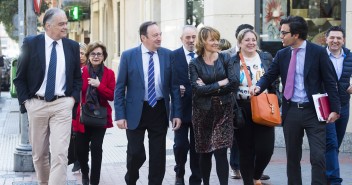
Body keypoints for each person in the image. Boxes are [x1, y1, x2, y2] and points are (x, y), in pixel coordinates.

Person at [250, 16, 340, 185]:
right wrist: (258, 86)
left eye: (284, 33)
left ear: (296, 34)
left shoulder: (318, 52)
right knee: (292, 157)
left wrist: (335, 109)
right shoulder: (282, 54)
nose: (280, 36)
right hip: (291, 112)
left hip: (314, 111)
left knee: (318, 156)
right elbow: (270, 75)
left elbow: (330, 81)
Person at [13, 8, 82, 185]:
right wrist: (27, 103)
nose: (65, 27)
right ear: (47, 26)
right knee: (39, 154)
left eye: (66, 23)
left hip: (62, 105)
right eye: (61, 24)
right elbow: (19, 78)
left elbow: (77, 78)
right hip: (37, 104)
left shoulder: (72, 46)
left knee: (60, 153)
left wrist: (72, 99)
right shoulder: (31, 43)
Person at [114, 21, 182, 185]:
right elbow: (120, 87)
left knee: (158, 155)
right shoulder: (129, 55)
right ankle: (131, 178)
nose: (159, 38)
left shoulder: (168, 55)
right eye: (155, 35)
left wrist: (176, 113)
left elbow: (174, 87)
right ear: (143, 38)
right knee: (136, 152)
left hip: (159, 109)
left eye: (160, 34)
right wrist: (120, 115)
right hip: (135, 110)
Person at [189, 26, 239, 185]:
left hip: (224, 109)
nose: (216, 42)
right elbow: (197, 90)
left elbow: (233, 83)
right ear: (203, 41)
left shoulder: (226, 59)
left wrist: (208, 87)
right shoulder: (194, 63)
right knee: (204, 152)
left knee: (220, 151)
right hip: (202, 112)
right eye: (212, 39)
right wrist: (219, 83)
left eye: (217, 39)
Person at [232, 29, 275, 185]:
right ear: (239, 43)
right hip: (242, 109)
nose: (251, 43)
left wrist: (276, 98)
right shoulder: (232, 60)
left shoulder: (266, 57)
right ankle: (248, 182)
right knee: (245, 150)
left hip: (264, 105)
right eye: (246, 40)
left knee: (266, 149)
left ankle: (256, 175)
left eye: (253, 39)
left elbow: (273, 77)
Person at [73, 41, 115, 185]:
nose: (96, 56)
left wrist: (99, 85)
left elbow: (112, 95)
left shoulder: (109, 73)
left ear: (104, 56)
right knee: (81, 150)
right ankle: (85, 172)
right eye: (93, 54)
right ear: (88, 56)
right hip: (82, 117)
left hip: (100, 117)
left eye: (99, 54)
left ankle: (94, 181)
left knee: (97, 149)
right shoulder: (82, 72)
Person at [172, 25, 201, 185]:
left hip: (199, 109)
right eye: (187, 38)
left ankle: (196, 178)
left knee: (198, 147)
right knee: (180, 145)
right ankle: (179, 171)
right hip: (180, 109)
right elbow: (167, 80)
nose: (191, 41)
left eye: (193, 37)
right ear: (181, 39)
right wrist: (176, 88)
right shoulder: (173, 56)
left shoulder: (203, 56)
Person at [324, 26, 352, 185]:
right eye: (332, 37)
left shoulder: (350, 57)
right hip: (324, 106)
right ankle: (334, 180)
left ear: (343, 40)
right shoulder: (319, 55)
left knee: (335, 144)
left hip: (343, 106)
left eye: (338, 38)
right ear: (326, 39)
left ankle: (325, 173)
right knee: (331, 143)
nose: (335, 41)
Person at [68, 42, 88, 173]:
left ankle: (84, 161)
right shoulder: (70, 68)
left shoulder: (90, 68)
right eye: (78, 53)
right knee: (74, 134)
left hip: (87, 106)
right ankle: (77, 161)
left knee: (86, 135)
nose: (80, 56)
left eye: (82, 53)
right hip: (73, 105)